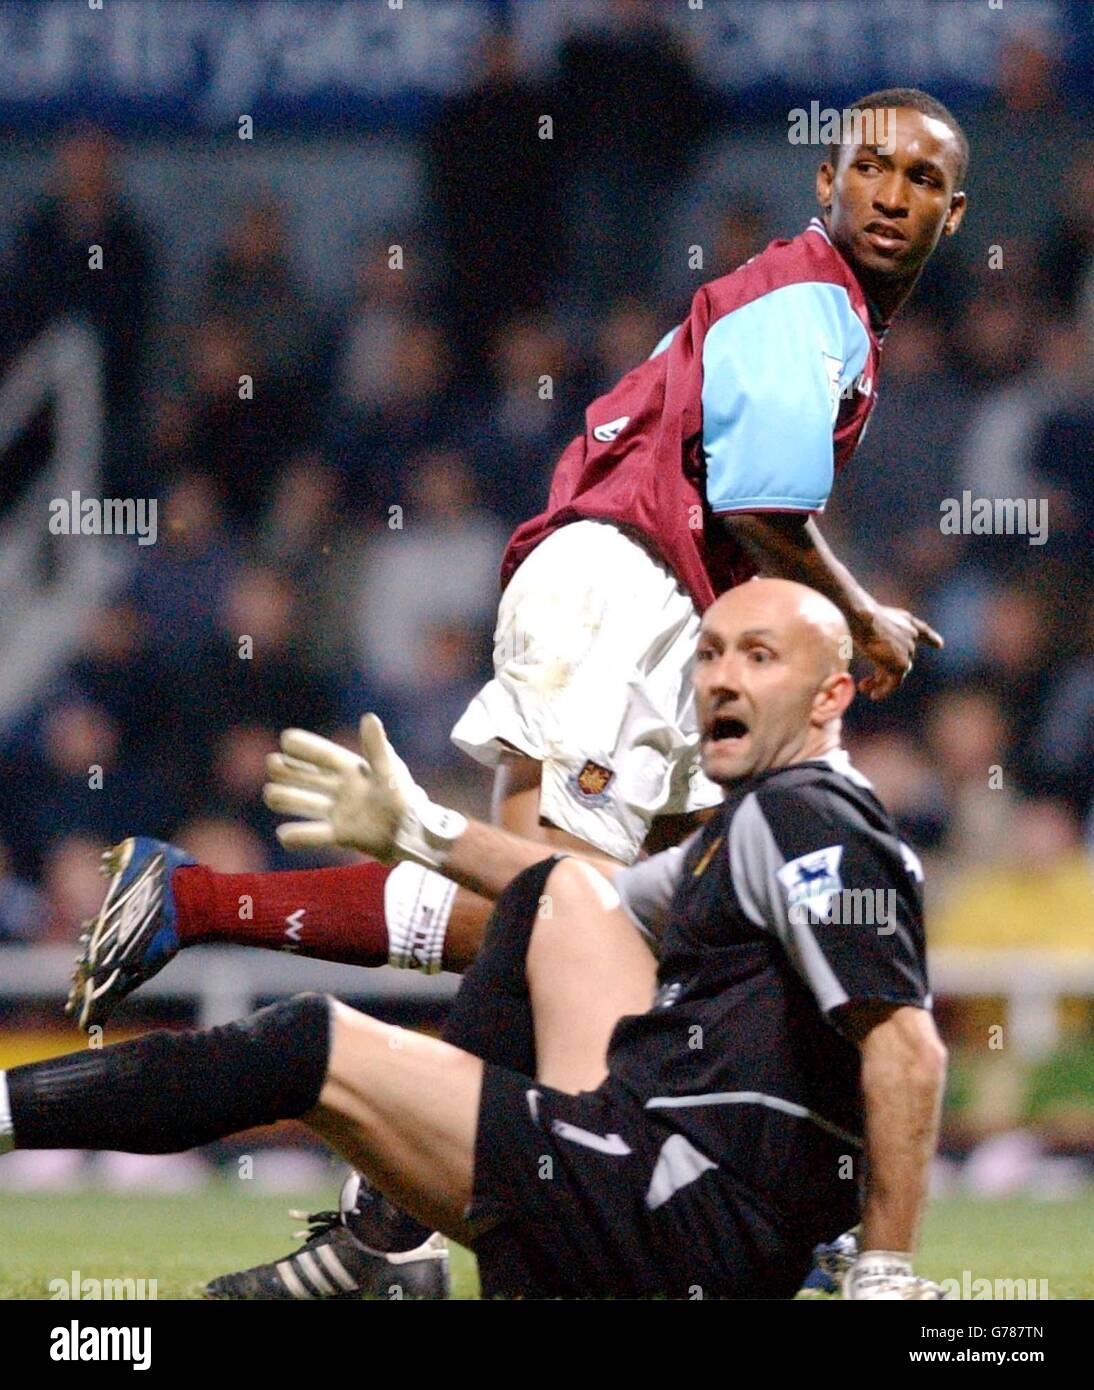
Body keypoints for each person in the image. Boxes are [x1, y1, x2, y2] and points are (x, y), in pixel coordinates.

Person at [69, 88, 967, 1295]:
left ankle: (385, 1220)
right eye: (870, 168)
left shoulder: (811, 304)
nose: (890, 196)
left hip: (651, 603)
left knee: (659, 923)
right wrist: (855, 619)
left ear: (954, 212)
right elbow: (759, 508)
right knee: (566, 914)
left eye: (919, 181)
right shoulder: (813, 305)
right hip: (627, 588)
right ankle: (352, 1167)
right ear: (826, 182)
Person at [7, 581, 947, 1299]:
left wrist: (888, 1269)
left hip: (672, 1212)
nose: (722, 678)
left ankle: (384, 1240)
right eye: (708, 655)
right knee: (562, 899)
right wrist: (419, 829)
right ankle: (396, 1243)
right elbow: (586, 891)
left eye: (759, 656)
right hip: (663, 1184)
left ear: (831, 695)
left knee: (309, 1045)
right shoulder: (761, 822)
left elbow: (908, 1048)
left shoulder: (818, 823)